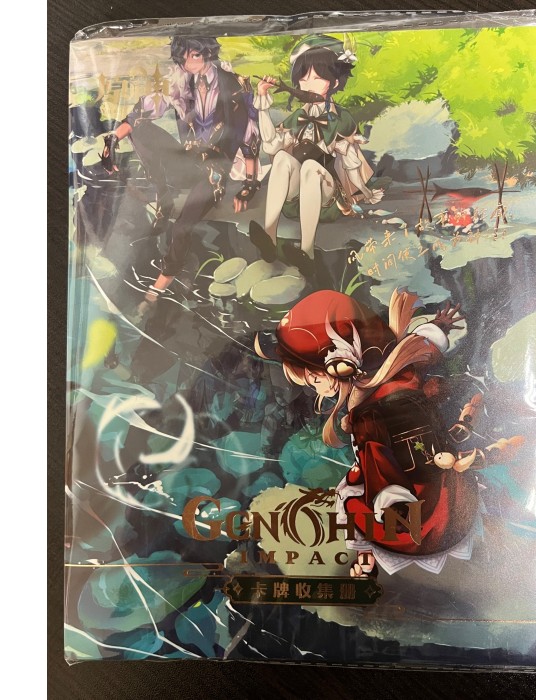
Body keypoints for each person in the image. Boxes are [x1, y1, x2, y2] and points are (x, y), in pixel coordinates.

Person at [256, 288, 489, 578]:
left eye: (314, 380)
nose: (315, 388)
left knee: (352, 497)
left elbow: (378, 463)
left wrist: (393, 505)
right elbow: (424, 350)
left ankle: (367, 560)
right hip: (448, 489)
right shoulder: (401, 374)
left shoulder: (368, 416)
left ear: (341, 365)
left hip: (418, 506)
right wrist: (438, 326)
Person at [99, 35, 261, 306]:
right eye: (184, 58)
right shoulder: (180, 81)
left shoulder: (233, 85)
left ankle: (159, 287)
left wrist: (250, 185)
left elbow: (250, 135)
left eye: (195, 55)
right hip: (187, 160)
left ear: (208, 52)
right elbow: (144, 110)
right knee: (140, 128)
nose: (190, 63)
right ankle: (164, 197)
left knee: (183, 227)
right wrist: (112, 140)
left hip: (215, 169)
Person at [248, 35, 383, 279]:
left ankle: (307, 252)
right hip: (297, 197)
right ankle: (269, 237)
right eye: (304, 78)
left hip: (326, 197)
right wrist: (263, 106)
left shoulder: (342, 118)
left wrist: (363, 192)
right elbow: (271, 145)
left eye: (317, 78)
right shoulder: (298, 116)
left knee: (311, 166)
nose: (308, 84)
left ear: (334, 82)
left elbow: (352, 161)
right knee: (282, 158)